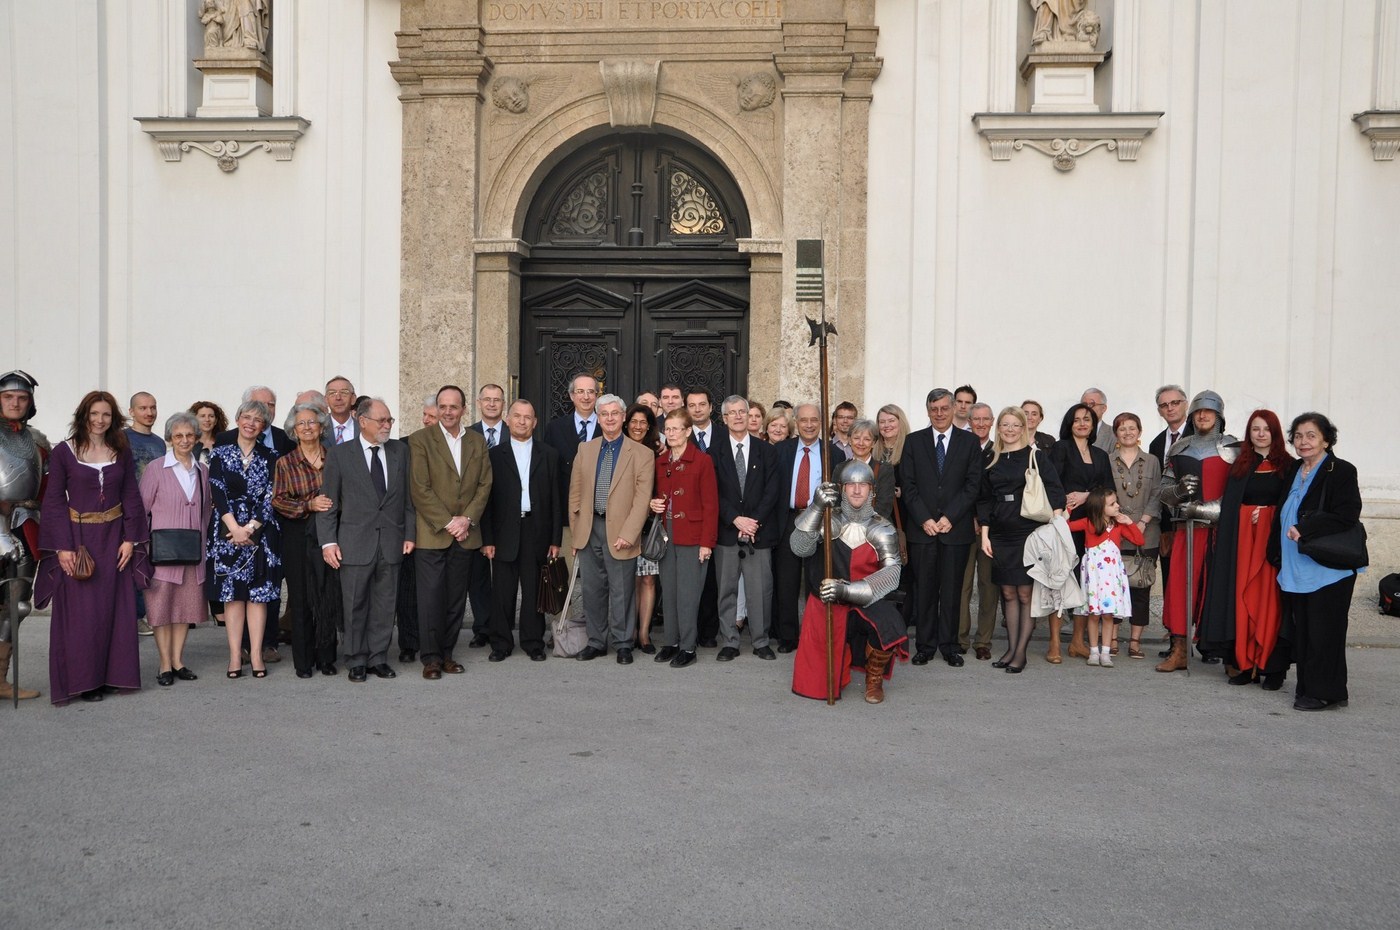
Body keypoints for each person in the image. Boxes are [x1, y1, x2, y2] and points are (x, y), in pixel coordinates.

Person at [35, 390, 147, 704]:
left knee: (114, 609)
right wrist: (62, 547)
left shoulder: (121, 450)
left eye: (106, 414)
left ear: (114, 418)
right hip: (78, 539)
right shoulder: (64, 451)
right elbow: (54, 501)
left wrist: (130, 539)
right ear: (84, 415)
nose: (100, 420)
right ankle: (85, 680)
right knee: (83, 614)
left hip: (114, 539)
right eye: (94, 413)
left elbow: (131, 494)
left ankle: (112, 675)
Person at [790, 462, 906, 704]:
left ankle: (874, 678)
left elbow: (892, 573)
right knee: (818, 681)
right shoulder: (827, 519)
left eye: (862, 484)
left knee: (890, 621)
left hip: (866, 599)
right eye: (851, 485)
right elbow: (799, 547)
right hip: (828, 600)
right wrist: (816, 506)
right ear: (842, 489)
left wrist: (847, 590)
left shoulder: (882, 528)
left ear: (871, 490)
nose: (857, 490)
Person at [318, 398, 416, 683]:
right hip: (354, 542)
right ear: (362, 422)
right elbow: (328, 503)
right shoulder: (340, 455)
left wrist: (409, 534)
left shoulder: (400, 451)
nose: (387, 425)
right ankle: (356, 659)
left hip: (392, 541)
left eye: (389, 420)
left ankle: (378, 658)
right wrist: (328, 542)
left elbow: (408, 499)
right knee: (354, 604)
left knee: (385, 605)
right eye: (381, 421)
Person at [1276, 412, 1363, 711]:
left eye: (1311, 435)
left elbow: (1347, 514)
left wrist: (1306, 529)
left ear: (1326, 440)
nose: (1304, 441)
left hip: (1328, 568)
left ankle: (1324, 692)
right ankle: (1311, 687)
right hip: (1297, 566)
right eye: (1298, 436)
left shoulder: (1341, 471)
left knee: (1325, 632)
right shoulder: (1295, 469)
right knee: (1305, 631)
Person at [1204, 409, 1293, 685]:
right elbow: (1231, 508)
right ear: (1249, 433)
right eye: (1255, 429)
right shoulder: (1240, 466)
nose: (1261, 434)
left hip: (1272, 548)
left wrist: (1266, 516)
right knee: (1241, 599)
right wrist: (1248, 515)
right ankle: (1244, 664)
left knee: (1269, 602)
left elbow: (1290, 506)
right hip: (1242, 545)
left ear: (1275, 432)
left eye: (1266, 429)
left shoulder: (1289, 466)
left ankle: (1271, 668)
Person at [407, 385, 492, 673]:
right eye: (442, 406)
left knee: (456, 600)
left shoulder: (477, 441)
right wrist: (449, 522)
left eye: (453, 406)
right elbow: (420, 488)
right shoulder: (420, 440)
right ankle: (430, 657)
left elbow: (485, 484)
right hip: (432, 534)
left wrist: (466, 519)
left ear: (464, 409)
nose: (447, 412)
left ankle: (447, 654)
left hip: (466, 534)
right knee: (431, 599)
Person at [977, 407, 1066, 672]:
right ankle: (1011, 649)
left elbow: (1056, 491)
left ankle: (1020, 653)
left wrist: (1054, 528)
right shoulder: (990, 458)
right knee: (1007, 592)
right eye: (1006, 424)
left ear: (1023, 428)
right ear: (998, 428)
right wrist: (985, 535)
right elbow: (983, 499)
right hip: (999, 532)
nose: (1011, 429)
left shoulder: (1035, 456)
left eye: (1016, 425)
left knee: (1025, 593)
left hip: (1028, 532)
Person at [567, 393, 654, 663]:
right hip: (589, 529)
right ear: (598, 418)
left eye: (615, 413)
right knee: (592, 590)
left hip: (621, 531)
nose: (609, 418)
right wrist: (577, 532)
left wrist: (629, 534)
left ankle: (623, 643)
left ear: (623, 417)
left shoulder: (642, 454)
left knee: (622, 591)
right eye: (604, 414)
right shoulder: (585, 449)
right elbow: (575, 494)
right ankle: (596, 641)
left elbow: (642, 499)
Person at [900, 388, 982, 667]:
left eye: (944, 408)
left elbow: (973, 485)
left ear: (954, 409)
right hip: (922, 530)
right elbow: (908, 484)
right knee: (924, 590)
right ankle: (924, 646)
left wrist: (950, 517)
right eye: (934, 409)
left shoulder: (969, 442)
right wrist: (924, 518)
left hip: (954, 531)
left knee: (951, 591)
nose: (939, 414)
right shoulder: (914, 441)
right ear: (928, 411)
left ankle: (949, 646)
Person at [1156, 390, 1237, 672]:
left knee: (1219, 590)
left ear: (1218, 416)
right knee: (1180, 589)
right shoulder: (1179, 448)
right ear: (1191, 416)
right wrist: (1178, 491)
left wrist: (1207, 510)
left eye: (1208, 411)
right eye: (1198, 412)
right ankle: (1179, 651)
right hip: (1186, 532)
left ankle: (1225, 654)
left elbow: (1239, 492)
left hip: (1219, 533)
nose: (1203, 416)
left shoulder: (1233, 447)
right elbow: (1164, 492)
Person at [481, 400, 563, 663]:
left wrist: (555, 539)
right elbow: (486, 500)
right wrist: (487, 539)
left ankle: (533, 642)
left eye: (528, 417)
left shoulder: (549, 454)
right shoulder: (493, 455)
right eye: (517, 416)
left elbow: (556, 499)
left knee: (533, 590)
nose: (522, 421)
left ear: (535, 422)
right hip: (503, 532)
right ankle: (500, 643)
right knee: (502, 592)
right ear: (507, 420)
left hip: (536, 531)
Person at [207, 399, 282, 679]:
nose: (251, 423)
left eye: (257, 419)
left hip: (261, 532)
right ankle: (235, 656)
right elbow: (217, 491)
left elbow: (272, 495)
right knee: (233, 596)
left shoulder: (271, 455)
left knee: (258, 597)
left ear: (263, 426)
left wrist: (249, 528)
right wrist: (235, 528)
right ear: (238, 419)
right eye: (247, 417)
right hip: (227, 531)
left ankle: (258, 654)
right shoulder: (220, 453)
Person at [139, 412, 211, 686]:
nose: (184, 440)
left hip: (193, 552)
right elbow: (142, 509)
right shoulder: (156, 468)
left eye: (189, 435)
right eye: (178, 435)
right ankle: (164, 664)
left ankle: (178, 661)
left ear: (196, 438)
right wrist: (144, 547)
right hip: (162, 552)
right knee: (161, 609)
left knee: (185, 609)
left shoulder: (202, 470)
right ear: (169, 438)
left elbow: (206, 511)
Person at [271, 402, 339, 678]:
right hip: (298, 533)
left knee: (327, 596)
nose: (307, 427)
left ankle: (327, 658)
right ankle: (303, 661)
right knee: (301, 598)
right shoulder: (285, 463)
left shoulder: (335, 457)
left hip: (330, 533)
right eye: (301, 423)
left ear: (321, 427)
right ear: (294, 430)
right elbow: (278, 500)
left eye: (312, 422)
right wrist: (308, 505)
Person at [710, 395, 780, 661]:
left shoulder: (767, 451)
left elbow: (772, 491)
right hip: (727, 532)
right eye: (733, 413)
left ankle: (761, 641)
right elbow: (713, 493)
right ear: (724, 418)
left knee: (760, 590)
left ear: (750, 416)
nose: (738, 417)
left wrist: (753, 522)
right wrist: (735, 519)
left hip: (758, 533)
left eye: (743, 412)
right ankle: (730, 641)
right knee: (726, 590)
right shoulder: (714, 452)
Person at [772, 403, 846, 653]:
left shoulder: (833, 453)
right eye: (804, 420)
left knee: (818, 580)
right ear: (796, 422)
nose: (809, 425)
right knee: (787, 582)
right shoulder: (781, 450)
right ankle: (788, 637)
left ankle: (817, 635)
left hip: (820, 521)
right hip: (789, 520)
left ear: (822, 422)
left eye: (814, 420)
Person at [649, 409, 718, 668]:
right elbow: (657, 496)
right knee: (669, 592)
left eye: (676, 428)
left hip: (693, 537)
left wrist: (706, 543)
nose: (670, 433)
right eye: (667, 429)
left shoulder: (702, 461)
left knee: (688, 595)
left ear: (688, 431)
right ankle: (671, 642)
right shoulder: (661, 462)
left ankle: (688, 647)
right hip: (667, 535)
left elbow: (711, 505)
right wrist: (653, 504)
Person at [1048, 402, 1113, 662]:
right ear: (1069, 424)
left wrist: (1087, 495)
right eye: (1077, 420)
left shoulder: (1101, 455)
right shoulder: (1060, 448)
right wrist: (1060, 508)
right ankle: (1054, 643)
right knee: (1060, 581)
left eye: (1087, 419)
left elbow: (1108, 489)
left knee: (1085, 582)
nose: (1082, 423)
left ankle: (1077, 641)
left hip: (1092, 527)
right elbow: (1051, 482)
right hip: (1066, 524)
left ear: (1094, 424)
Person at [0, 370, 48, 702]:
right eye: (8, 397)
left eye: (22, 397)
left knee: (16, 606)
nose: (15, 403)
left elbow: (48, 488)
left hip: (25, 524)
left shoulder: (38, 441)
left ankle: (1, 681)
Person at [1067, 488, 1144, 668]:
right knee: (1094, 614)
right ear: (1099, 507)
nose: (1117, 506)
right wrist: (1069, 508)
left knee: (1108, 615)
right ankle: (1094, 651)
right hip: (1094, 575)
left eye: (1116, 502)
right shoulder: (1088, 523)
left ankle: (1106, 652)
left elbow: (1139, 540)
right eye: (1112, 504)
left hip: (1112, 576)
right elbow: (1066, 526)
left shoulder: (1119, 525)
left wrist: (1129, 522)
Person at [1107, 412, 1162, 659]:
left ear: (1139, 431)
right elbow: (1104, 494)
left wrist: (1142, 522)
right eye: (1122, 429)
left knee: (1141, 587)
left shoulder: (1151, 461)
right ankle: (1112, 637)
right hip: (1116, 532)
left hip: (1146, 532)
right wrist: (1119, 519)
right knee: (1114, 586)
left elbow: (1157, 493)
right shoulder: (1108, 460)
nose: (1127, 432)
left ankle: (1135, 641)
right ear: (1116, 434)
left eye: (1132, 428)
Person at [957, 404, 998, 659]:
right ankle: (960, 638)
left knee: (988, 585)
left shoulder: (999, 450)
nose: (981, 424)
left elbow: (997, 490)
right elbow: (957, 487)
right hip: (962, 524)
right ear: (969, 422)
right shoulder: (961, 447)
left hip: (991, 528)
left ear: (992, 422)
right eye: (976, 419)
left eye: (985, 419)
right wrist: (969, 516)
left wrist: (984, 521)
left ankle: (983, 640)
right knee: (962, 585)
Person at [624, 403, 661, 650]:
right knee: (628, 582)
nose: (638, 427)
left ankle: (644, 634)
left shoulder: (657, 453)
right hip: (622, 525)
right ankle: (630, 631)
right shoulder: (618, 449)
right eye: (634, 422)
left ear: (649, 427)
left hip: (648, 527)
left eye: (643, 423)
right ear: (626, 424)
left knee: (647, 580)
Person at [840, 419, 896, 520]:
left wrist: (863, 525)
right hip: (845, 526)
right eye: (856, 438)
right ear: (849, 440)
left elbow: (884, 506)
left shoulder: (884, 469)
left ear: (873, 443)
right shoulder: (840, 468)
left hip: (877, 525)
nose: (861, 443)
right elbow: (837, 502)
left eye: (867, 439)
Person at [125, 392, 166, 480]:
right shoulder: (121, 438)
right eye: (143, 408)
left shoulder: (160, 442)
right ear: (131, 412)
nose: (149, 413)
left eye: (153, 408)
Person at [189, 401, 228, 466]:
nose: (207, 419)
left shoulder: (224, 443)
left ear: (216, 421)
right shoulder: (188, 444)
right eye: (202, 416)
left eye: (211, 416)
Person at [325, 376, 360, 444]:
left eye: (344, 393)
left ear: (353, 399)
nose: (338, 398)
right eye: (332, 393)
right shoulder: (318, 428)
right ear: (326, 400)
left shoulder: (364, 429)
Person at [1081, 387, 1115, 453]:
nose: (1087, 408)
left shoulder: (1113, 434)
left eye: (1092, 404)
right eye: (1084, 405)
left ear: (1103, 408)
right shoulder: (1072, 431)